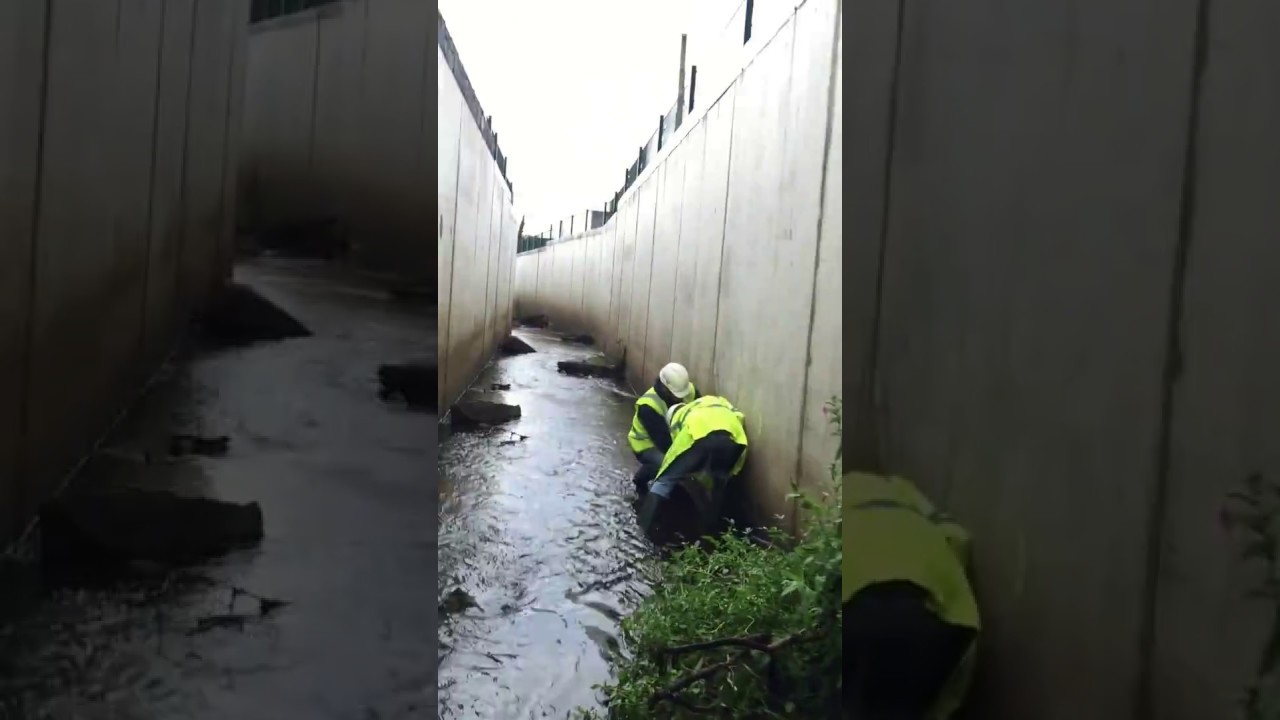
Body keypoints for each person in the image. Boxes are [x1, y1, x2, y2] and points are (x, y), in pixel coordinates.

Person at [843, 471, 980, 720]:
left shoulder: (833, 505)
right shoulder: (900, 489)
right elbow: (959, 538)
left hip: (859, 603)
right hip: (927, 607)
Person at [637, 395, 748, 543]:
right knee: (719, 481)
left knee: (664, 481)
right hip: (734, 437)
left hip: (699, 434)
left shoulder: (679, 419)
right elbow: (739, 416)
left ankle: (641, 533)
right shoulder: (711, 402)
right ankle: (710, 533)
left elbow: (677, 453)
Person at [627, 362, 696, 495]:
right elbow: (665, 444)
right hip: (646, 445)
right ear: (665, 388)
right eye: (676, 394)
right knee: (664, 463)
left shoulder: (688, 390)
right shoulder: (648, 406)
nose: (681, 397)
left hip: (674, 436)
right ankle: (640, 480)